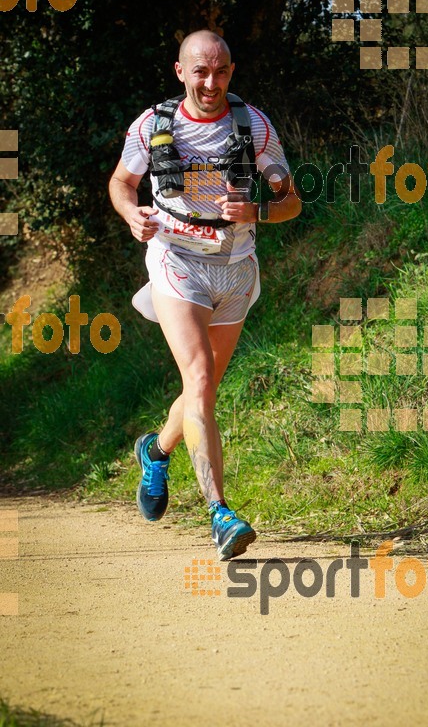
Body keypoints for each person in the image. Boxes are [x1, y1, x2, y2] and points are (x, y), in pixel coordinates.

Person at [109, 30, 301, 560]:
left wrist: (261, 207)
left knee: (205, 389)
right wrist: (132, 214)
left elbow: (291, 201)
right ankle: (220, 513)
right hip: (176, 261)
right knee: (197, 379)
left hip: (237, 268)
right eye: (200, 72)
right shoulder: (152, 126)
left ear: (231, 73)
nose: (210, 82)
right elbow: (122, 182)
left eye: (219, 72)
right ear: (180, 72)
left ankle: (156, 449)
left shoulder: (254, 125)